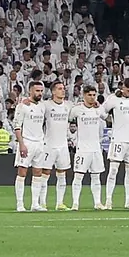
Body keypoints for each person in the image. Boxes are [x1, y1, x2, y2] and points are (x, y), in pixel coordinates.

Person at [100, 79, 129, 210]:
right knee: (113, 170)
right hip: (118, 139)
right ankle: (108, 201)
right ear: (122, 88)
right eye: (128, 91)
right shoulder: (113, 99)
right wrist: (111, 121)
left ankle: (128, 201)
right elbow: (102, 113)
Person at [69, 86, 107, 210]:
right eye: (89, 95)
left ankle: (97, 203)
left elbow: (105, 116)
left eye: (93, 95)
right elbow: (68, 118)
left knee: (96, 176)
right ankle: (75, 203)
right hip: (83, 148)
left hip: (96, 148)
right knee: (78, 176)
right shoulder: (77, 109)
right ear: (84, 95)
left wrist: (99, 105)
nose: (92, 97)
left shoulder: (98, 109)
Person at [13, 80, 47, 212]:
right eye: (37, 91)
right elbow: (17, 126)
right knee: (22, 172)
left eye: (41, 91)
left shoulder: (42, 106)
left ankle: (35, 204)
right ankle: (20, 204)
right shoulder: (22, 106)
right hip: (27, 142)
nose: (39, 93)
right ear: (30, 91)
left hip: (39, 142)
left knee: (38, 172)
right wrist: (21, 144)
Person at [43, 80, 74, 211]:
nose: (63, 90)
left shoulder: (69, 106)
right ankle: (42, 203)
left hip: (63, 145)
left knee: (62, 174)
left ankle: (59, 203)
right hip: (49, 144)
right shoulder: (46, 105)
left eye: (63, 88)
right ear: (53, 91)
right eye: (60, 88)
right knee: (45, 174)